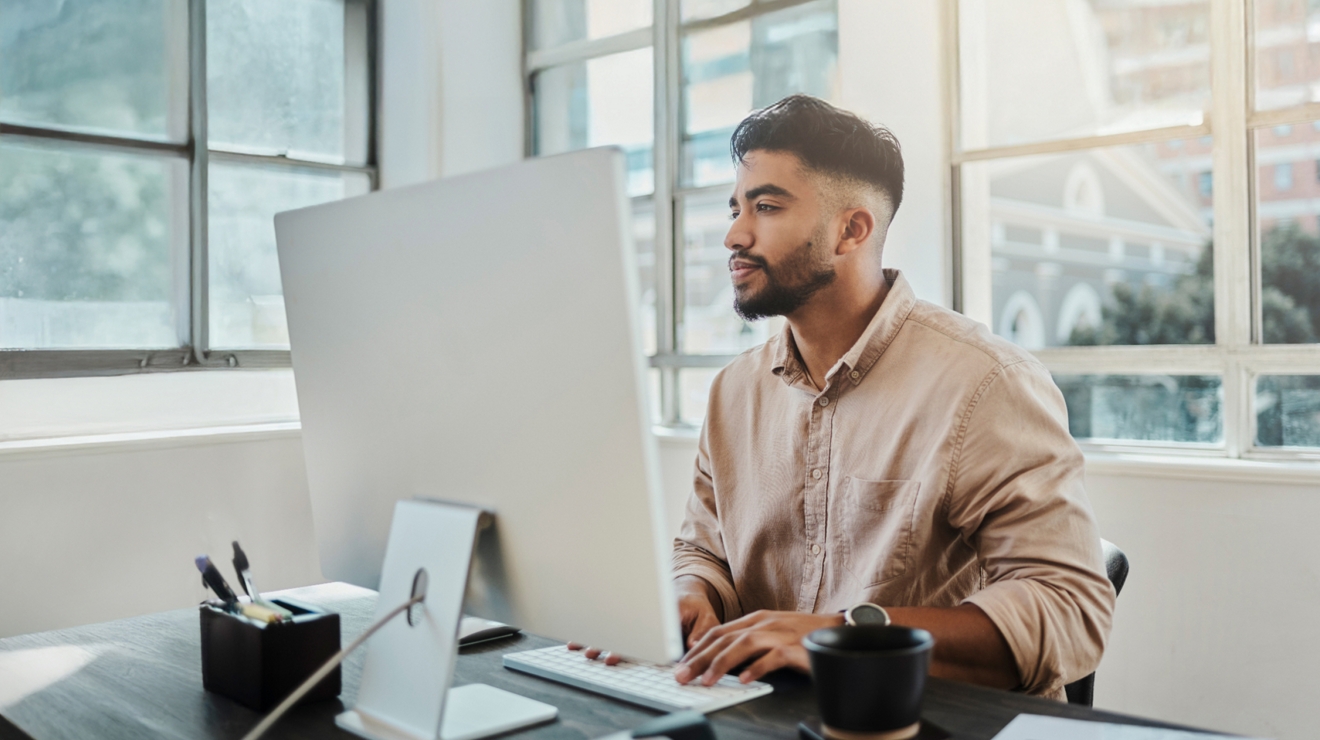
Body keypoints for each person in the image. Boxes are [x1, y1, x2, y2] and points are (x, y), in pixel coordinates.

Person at [575, 94, 1115, 700]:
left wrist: (842, 637)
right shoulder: (734, 391)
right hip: (764, 712)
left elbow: (1070, 609)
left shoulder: (987, 383)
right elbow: (703, 549)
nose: (733, 234)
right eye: (736, 208)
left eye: (767, 206)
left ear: (851, 229)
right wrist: (688, 595)